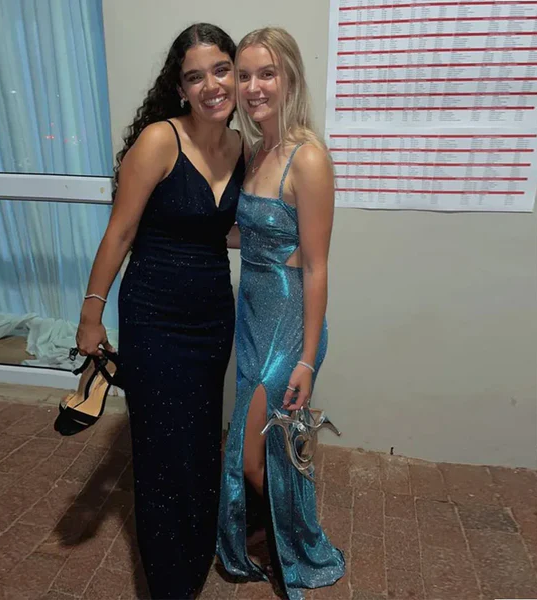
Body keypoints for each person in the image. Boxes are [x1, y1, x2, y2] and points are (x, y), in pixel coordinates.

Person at [73, 23, 244, 599]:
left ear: (235, 74)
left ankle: (195, 550)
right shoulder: (159, 141)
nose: (211, 85)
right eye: (195, 77)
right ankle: (171, 580)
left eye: (221, 70)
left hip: (212, 317)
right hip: (156, 318)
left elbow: (220, 229)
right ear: (180, 89)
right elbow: (120, 232)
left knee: (199, 439)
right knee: (162, 449)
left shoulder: (241, 147)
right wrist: (91, 314)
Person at [217, 27, 345, 600]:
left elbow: (315, 266)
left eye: (266, 74)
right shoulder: (254, 151)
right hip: (252, 317)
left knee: (255, 456)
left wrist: (308, 361)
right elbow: (252, 236)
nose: (253, 87)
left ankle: (294, 547)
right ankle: (277, 534)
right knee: (267, 451)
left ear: (289, 77)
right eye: (244, 75)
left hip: (289, 327)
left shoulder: (307, 157)